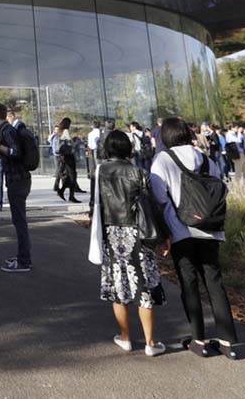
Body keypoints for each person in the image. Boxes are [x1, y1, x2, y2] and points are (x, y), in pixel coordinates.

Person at [150, 117, 240, 359]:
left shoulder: (163, 159)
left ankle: (198, 339)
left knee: (188, 284)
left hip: (181, 230)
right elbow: (219, 188)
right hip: (210, 229)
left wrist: (165, 233)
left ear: (166, 136)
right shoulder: (205, 159)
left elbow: (159, 197)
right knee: (215, 282)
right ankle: (227, 341)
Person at [88, 130, 169, 357]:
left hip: (112, 234)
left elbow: (95, 206)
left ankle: (125, 337)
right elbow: (152, 207)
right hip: (139, 234)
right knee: (143, 288)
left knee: (118, 287)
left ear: (107, 149)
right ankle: (150, 343)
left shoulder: (100, 171)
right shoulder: (139, 173)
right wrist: (164, 236)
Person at [0, 103, 32, 273]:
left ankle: (24, 260)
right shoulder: (7, 130)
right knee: (19, 221)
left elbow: (15, 152)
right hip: (19, 179)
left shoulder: (7, 130)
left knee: (20, 222)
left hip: (17, 180)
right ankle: (23, 257)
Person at [54, 117, 81, 203]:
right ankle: (70, 196)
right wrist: (76, 141)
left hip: (63, 156)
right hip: (69, 156)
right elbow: (70, 142)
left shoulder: (59, 131)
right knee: (72, 176)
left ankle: (62, 191)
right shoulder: (65, 131)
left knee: (70, 176)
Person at [225, 123, 245, 189]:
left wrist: (244, 135)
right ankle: (237, 187)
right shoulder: (229, 134)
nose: (237, 129)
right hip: (236, 154)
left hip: (241, 153)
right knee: (238, 171)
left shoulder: (236, 134)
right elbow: (238, 140)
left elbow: (243, 143)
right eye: (236, 128)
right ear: (232, 128)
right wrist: (239, 133)